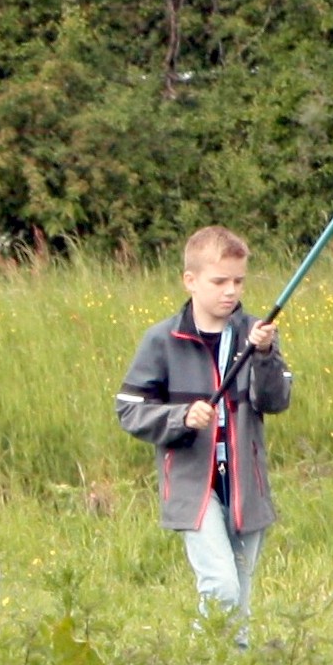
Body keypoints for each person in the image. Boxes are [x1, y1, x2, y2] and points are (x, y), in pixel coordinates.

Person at [116, 227, 294, 629]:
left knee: (239, 601)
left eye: (238, 281)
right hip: (193, 487)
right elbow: (128, 410)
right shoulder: (162, 340)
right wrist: (180, 417)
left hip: (247, 486)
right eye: (219, 282)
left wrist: (265, 354)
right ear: (190, 281)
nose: (230, 291)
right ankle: (202, 661)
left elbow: (275, 400)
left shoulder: (256, 334)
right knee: (221, 589)